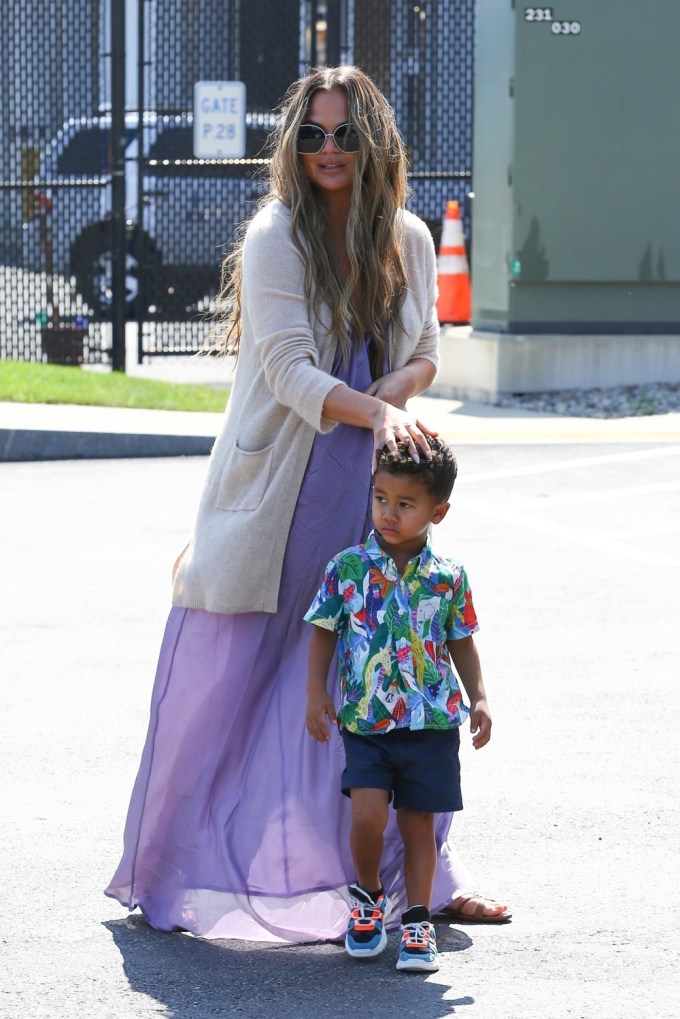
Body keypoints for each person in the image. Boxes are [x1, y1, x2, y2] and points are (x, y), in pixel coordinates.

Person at [105, 65, 510, 942]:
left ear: (376, 144)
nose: (329, 150)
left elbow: (425, 347)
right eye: (313, 134)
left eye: (346, 134)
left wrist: (388, 401)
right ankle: (166, 867)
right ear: (294, 144)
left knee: (390, 685)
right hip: (278, 492)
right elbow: (289, 372)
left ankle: (425, 879)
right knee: (232, 685)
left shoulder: (402, 234)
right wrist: (383, 406)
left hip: (367, 490)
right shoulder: (274, 236)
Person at [304, 437, 492, 971]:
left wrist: (480, 697)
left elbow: (462, 639)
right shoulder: (347, 568)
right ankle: (366, 901)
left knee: (418, 826)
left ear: (438, 511)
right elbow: (323, 631)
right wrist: (315, 691)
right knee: (366, 815)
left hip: (431, 722)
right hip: (365, 720)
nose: (388, 512)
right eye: (380, 498)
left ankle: (416, 922)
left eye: (404, 504)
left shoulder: (448, 576)